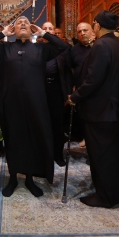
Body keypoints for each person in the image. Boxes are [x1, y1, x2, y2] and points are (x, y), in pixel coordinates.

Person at [0, 16, 68, 197]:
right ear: (13, 30)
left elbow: (63, 47)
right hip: (10, 103)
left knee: (32, 139)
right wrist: (3, 34)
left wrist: (44, 33)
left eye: (26, 23)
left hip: (36, 103)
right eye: (19, 23)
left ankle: (29, 178)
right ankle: (13, 178)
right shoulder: (4, 48)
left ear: (31, 29)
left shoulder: (41, 49)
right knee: (13, 140)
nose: (22, 24)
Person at [67, 10, 119, 208]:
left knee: (101, 155)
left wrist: (75, 97)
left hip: (100, 111)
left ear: (97, 25)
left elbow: (93, 79)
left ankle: (105, 196)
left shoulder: (101, 45)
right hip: (117, 109)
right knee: (118, 155)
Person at [42, 21, 70, 167]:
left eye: (50, 28)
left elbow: (68, 72)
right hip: (40, 90)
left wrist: (68, 93)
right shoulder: (37, 48)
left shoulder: (62, 49)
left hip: (57, 89)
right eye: (45, 28)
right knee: (43, 123)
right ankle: (44, 154)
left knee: (58, 124)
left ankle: (58, 155)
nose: (47, 30)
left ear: (54, 31)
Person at [64, 22, 95, 144]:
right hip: (80, 89)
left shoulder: (98, 46)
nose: (82, 33)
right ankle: (85, 137)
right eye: (79, 32)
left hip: (96, 88)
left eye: (85, 30)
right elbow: (70, 69)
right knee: (83, 115)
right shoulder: (74, 50)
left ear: (92, 31)